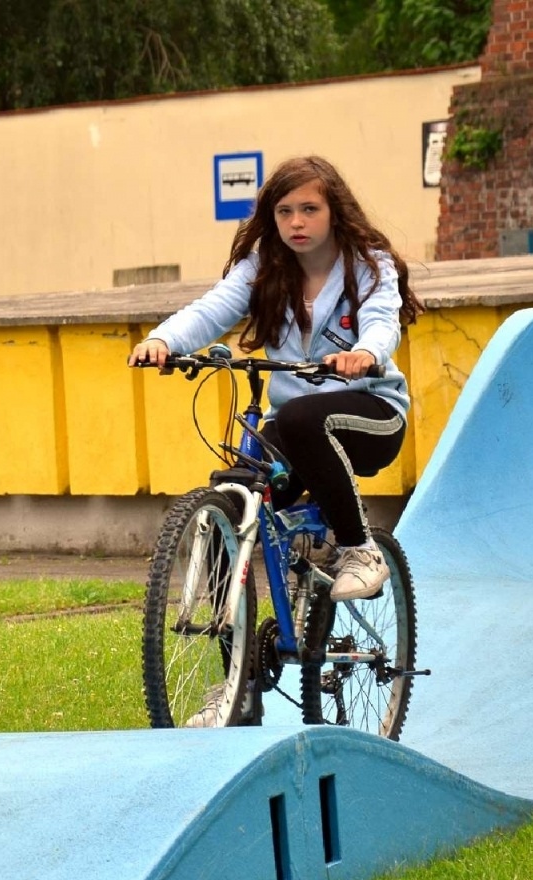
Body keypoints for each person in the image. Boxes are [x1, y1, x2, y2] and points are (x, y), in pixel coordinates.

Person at [130, 155, 422, 603]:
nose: (296, 222)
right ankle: (239, 661)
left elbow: (382, 320)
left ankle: (361, 551)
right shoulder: (263, 267)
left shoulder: (367, 264)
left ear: (334, 212)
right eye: (284, 212)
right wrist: (163, 341)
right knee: (232, 501)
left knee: (304, 418)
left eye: (309, 209)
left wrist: (364, 352)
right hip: (292, 424)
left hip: (372, 414)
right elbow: (211, 310)